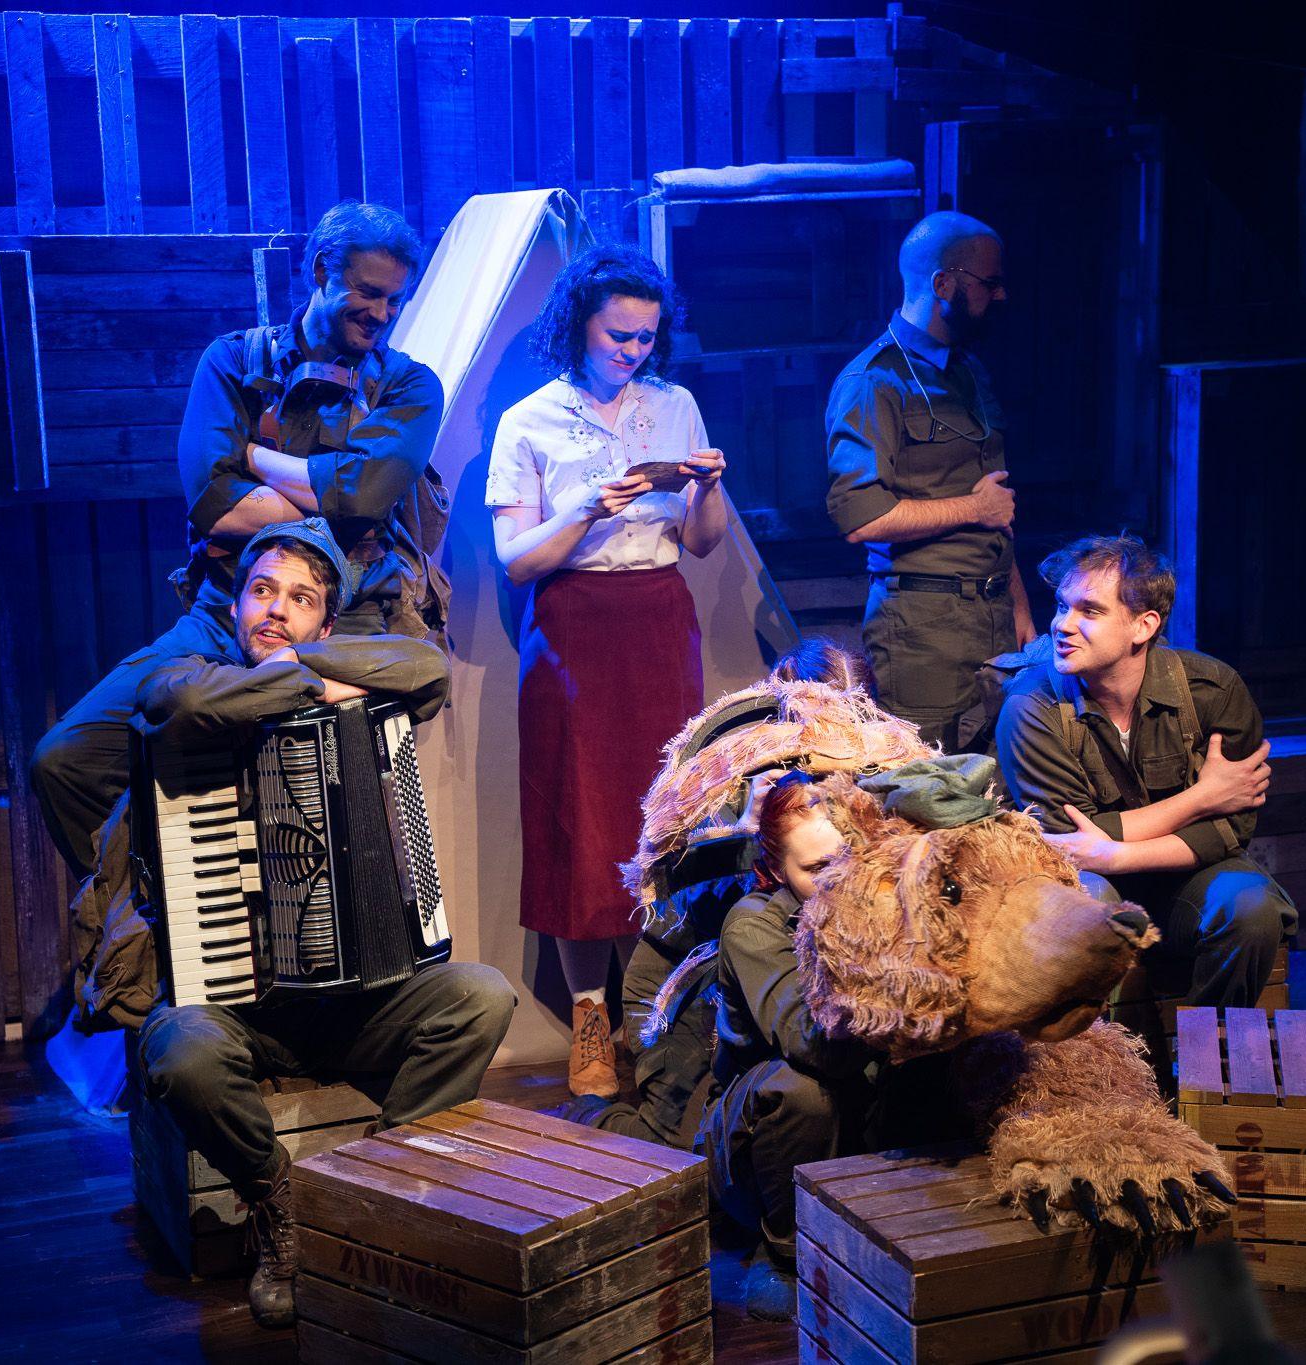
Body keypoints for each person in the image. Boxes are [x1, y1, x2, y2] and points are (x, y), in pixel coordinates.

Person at [120, 518, 516, 1330]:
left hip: (357, 1003)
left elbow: (427, 667)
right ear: (236, 605)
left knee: (481, 995)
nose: (276, 608)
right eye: (262, 590)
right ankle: (276, 1198)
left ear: (325, 626)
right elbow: (180, 699)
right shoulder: (193, 672)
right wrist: (306, 683)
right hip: (241, 1005)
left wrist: (308, 671)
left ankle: (365, 1191)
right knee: (178, 1052)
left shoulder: (350, 659)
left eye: (300, 600)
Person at [31, 201, 446, 881]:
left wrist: (256, 460)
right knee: (64, 761)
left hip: (349, 626)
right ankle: (163, 917)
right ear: (321, 272)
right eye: (368, 292)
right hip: (224, 615)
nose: (381, 312)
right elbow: (212, 504)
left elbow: (368, 495)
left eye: (394, 300)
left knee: (345, 838)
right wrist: (326, 500)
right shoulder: (234, 360)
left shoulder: (408, 384)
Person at [484, 245, 731, 1099]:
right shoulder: (530, 419)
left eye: (646, 337)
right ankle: (592, 1019)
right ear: (577, 326)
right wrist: (588, 505)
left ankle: (655, 1014)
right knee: (578, 822)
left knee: (662, 822)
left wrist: (707, 486)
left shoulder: (677, 406)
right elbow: (515, 561)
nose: (633, 350)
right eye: (619, 334)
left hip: (659, 621)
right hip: (573, 630)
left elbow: (701, 542)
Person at [567, 639, 879, 1149]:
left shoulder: (870, 770)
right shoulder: (727, 769)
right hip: (691, 976)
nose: (838, 734)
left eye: (852, 717)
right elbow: (662, 889)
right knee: (675, 1145)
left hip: (786, 967)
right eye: (824, 716)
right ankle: (586, 1118)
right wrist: (742, 829)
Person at [696, 772, 968, 1322]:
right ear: (775, 871)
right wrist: (904, 995)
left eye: (849, 858)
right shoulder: (754, 928)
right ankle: (785, 1255)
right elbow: (813, 1042)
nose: (840, 878)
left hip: (865, 1114)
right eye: (817, 869)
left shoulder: (893, 903)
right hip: (765, 1145)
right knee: (802, 1091)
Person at [995, 534, 1294, 1007]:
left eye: (1089, 611)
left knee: (1251, 905)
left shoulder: (1212, 691)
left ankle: (1211, 1065)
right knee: (1092, 907)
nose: (1062, 625)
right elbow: (1067, 841)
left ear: (1143, 626)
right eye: (1061, 606)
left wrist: (1117, 855)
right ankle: (1121, 1072)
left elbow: (1229, 830)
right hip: (1088, 881)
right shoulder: (1032, 706)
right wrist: (1202, 797)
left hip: (1187, 878)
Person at [825, 210, 1037, 751]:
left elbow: (997, 504)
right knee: (930, 794)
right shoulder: (872, 383)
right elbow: (862, 518)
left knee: (998, 795)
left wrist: (1017, 606)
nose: (1001, 296)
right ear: (944, 284)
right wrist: (974, 509)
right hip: (923, 631)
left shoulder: (969, 372)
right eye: (989, 283)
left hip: (992, 615)